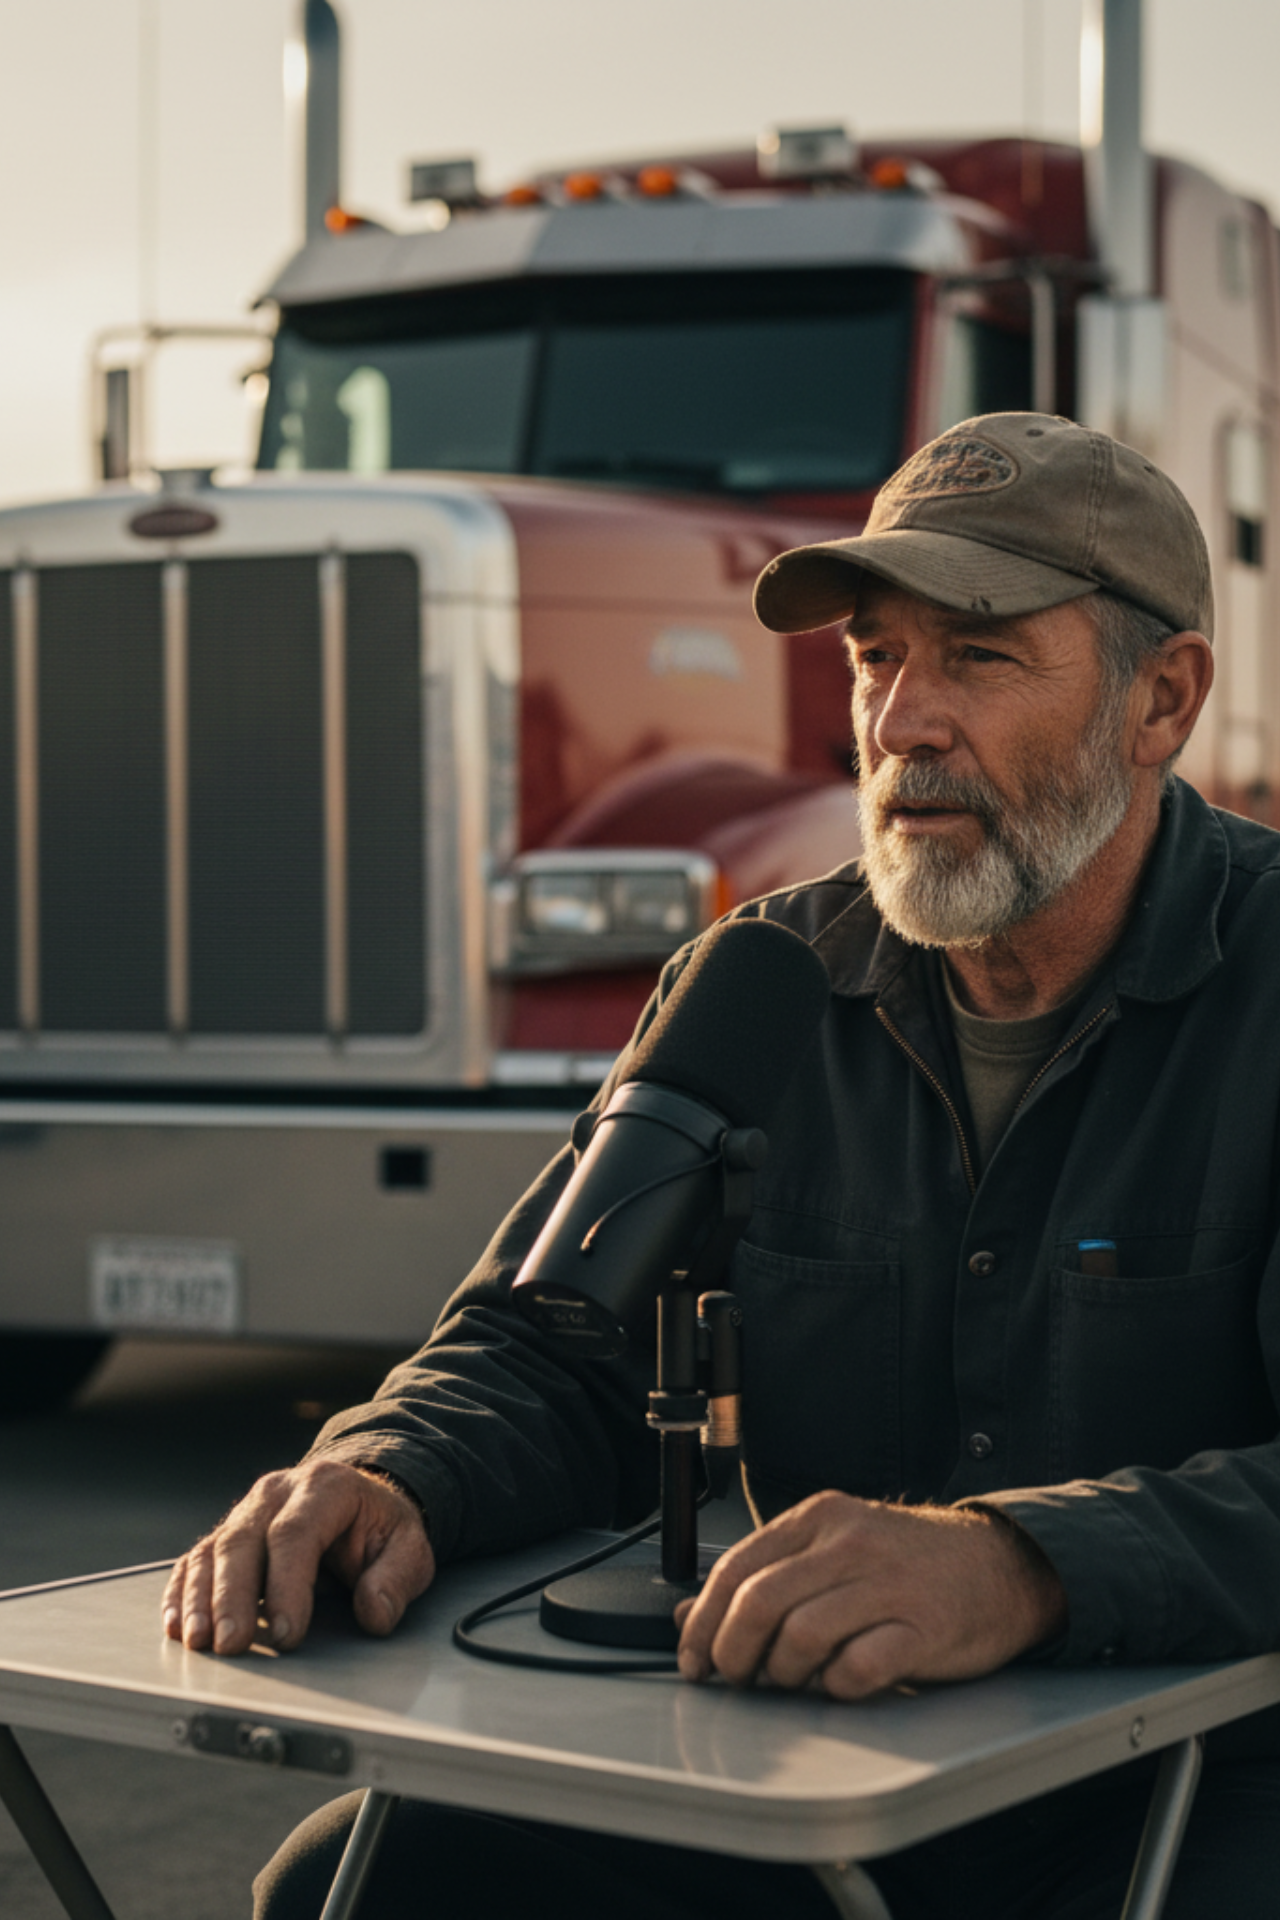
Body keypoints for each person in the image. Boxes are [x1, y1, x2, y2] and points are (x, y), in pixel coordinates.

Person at [165, 413, 1280, 1918]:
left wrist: (1021, 1568)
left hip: (1194, 1775)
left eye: (979, 656)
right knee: (359, 1881)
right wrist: (392, 1467)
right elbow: (546, 1348)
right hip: (810, 1773)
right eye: (878, 658)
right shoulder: (757, 981)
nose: (900, 726)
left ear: (1164, 701)